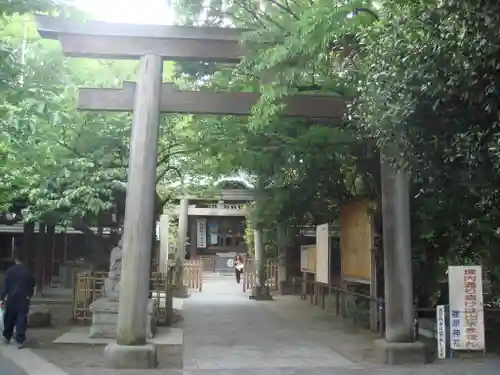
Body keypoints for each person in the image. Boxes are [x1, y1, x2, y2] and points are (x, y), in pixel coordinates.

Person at [0, 252, 35, 349]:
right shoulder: (28, 271)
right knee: (21, 318)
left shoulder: (10, 271)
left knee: (9, 317)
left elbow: (5, 286)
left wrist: (2, 298)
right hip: (23, 298)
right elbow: (32, 284)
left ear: (16, 259)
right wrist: (29, 295)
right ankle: (20, 340)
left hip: (11, 297)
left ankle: (7, 336)